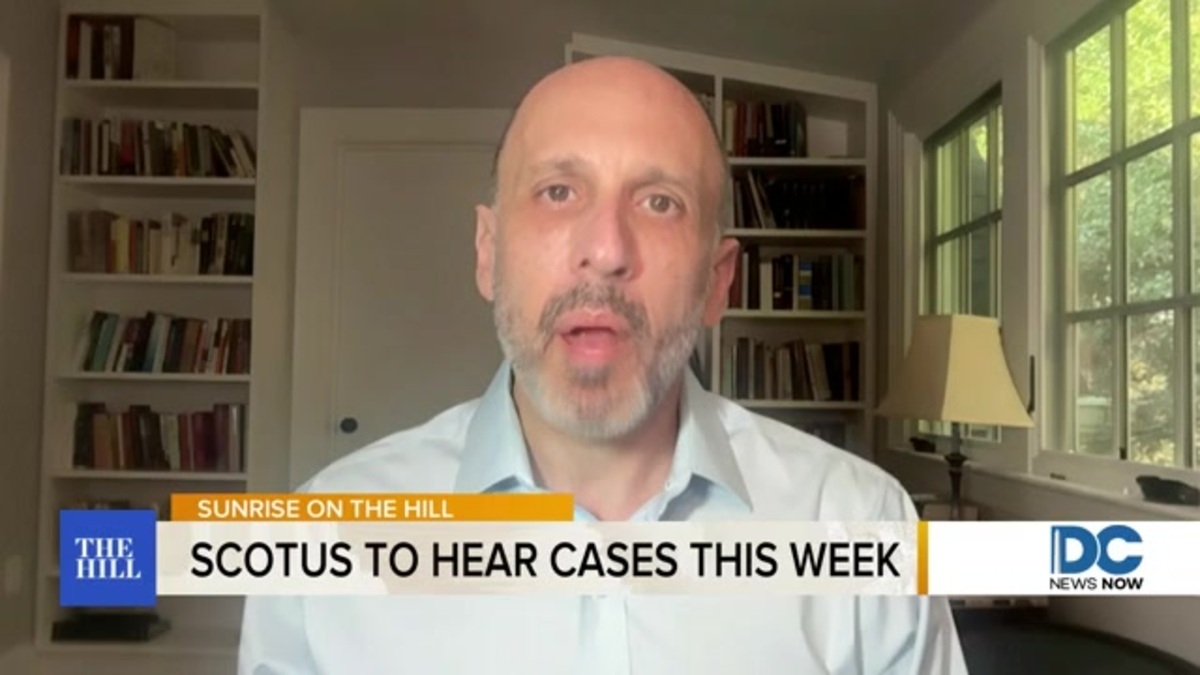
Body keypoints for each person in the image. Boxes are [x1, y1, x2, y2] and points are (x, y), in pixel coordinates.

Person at [238, 56, 968, 674]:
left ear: (718, 281)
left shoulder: (864, 526)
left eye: (660, 202)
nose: (607, 250)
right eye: (558, 192)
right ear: (488, 253)